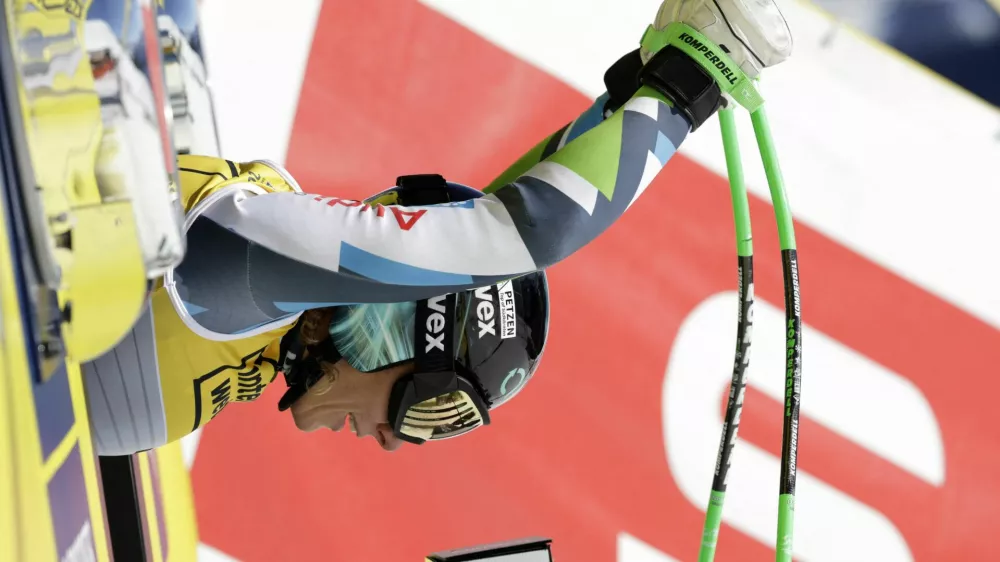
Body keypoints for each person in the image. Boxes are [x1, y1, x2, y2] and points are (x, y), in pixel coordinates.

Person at [82, 0, 793, 455]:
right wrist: (682, 90)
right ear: (394, 324)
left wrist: (637, 80)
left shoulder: (262, 303)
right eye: (431, 409)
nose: (394, 440)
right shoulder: (246, 262)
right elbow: (514, 234)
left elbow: (483, 233)